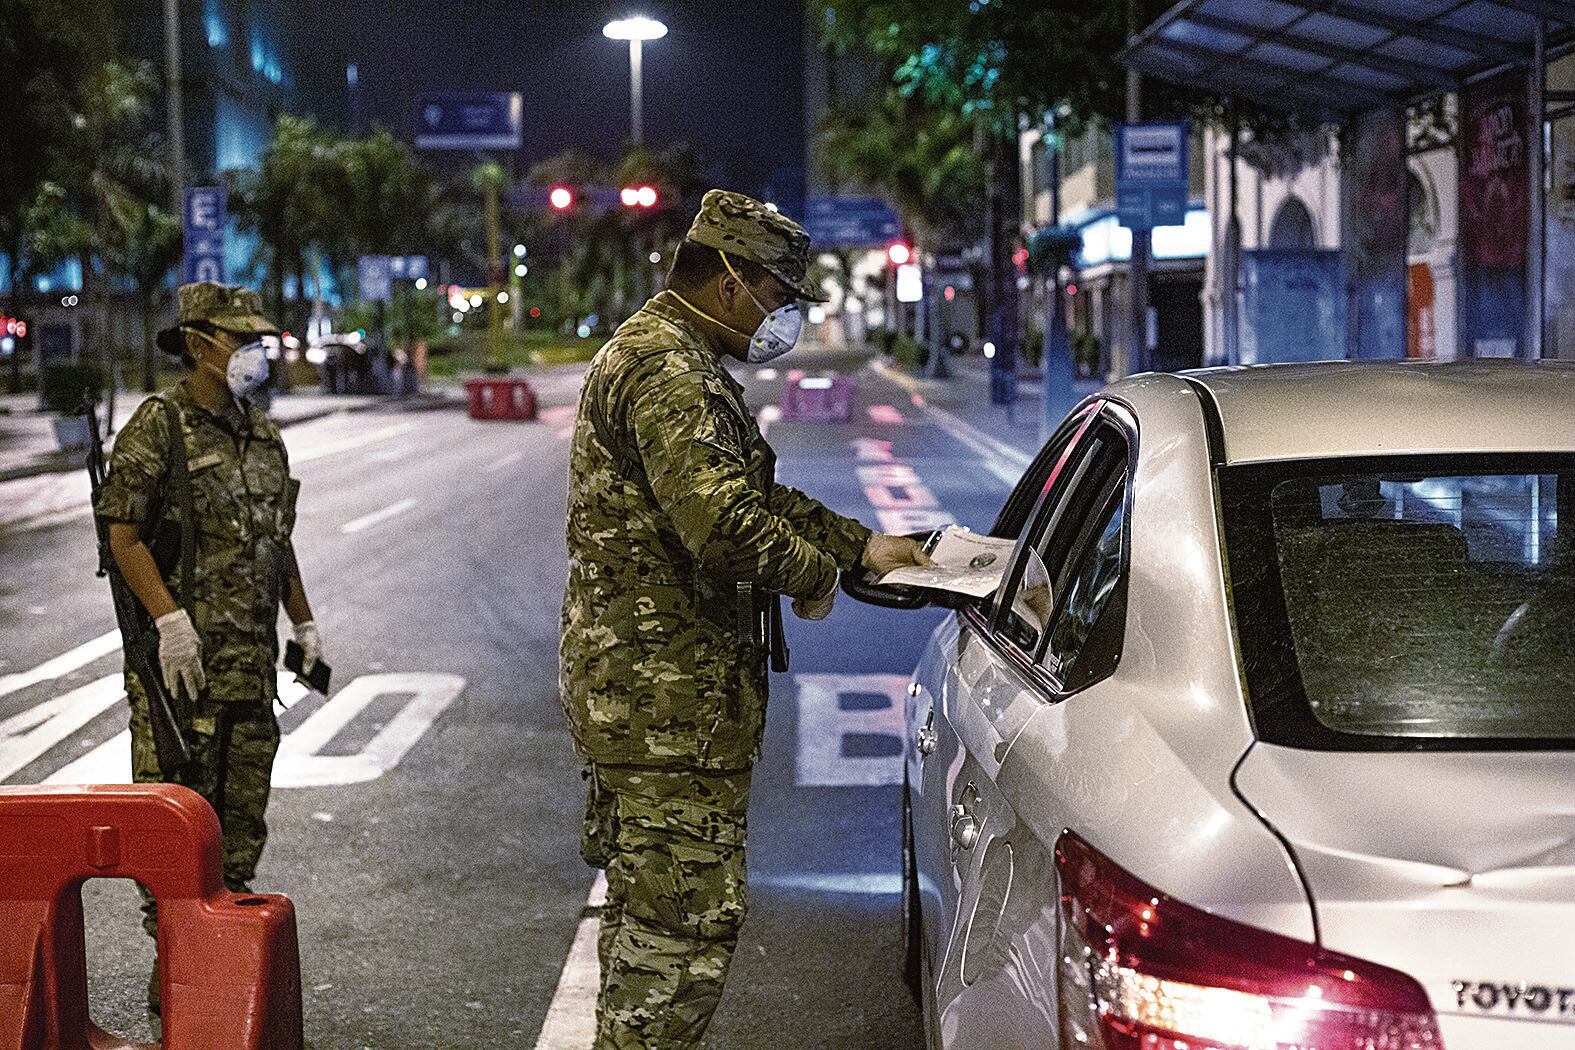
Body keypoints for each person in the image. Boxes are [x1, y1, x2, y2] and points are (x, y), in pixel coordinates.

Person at [560, 189, 930, 1048]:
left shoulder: (673, 355)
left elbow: (750, 495)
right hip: (664, 710)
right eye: (775, 298)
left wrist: (860, 546)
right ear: (729, 282)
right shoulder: (667, 370)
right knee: (679, 939)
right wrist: (810, 573)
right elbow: (721, 526)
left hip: (658, 703)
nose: (779, 319)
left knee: (647, 928)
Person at [93, 281, 324, 1013]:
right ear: (198, 344)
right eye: (240, 339)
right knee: (178, 839)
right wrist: (169, 621)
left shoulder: (262, 434)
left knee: (241, 831)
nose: (254, 352)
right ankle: (178, 987)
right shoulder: (157, 427)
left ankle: (221, 977)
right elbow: (121, 535)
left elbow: (275, 539)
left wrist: (305, 623)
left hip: (251, 671)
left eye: (258, 339)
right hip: (183, 675)